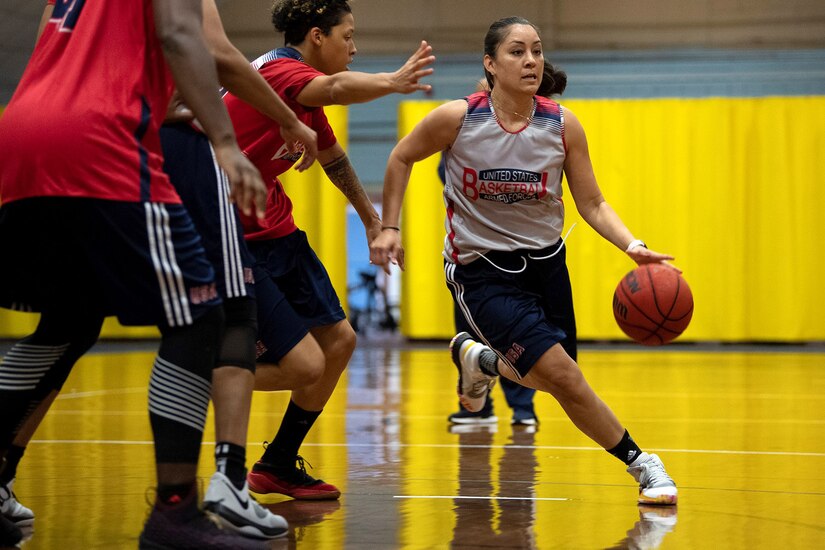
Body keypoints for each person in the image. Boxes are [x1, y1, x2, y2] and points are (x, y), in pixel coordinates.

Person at [0, 0, 321, 542]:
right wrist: (226, 139)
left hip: (24, 134)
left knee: (68, 322)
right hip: (103, 137)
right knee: (203, 317)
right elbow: (185, 34)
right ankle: (177, 509)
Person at [370, 16, 678, 506]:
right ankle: (644, 465)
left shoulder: (561, 124)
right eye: (517, 51)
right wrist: (388, 226)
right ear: (490, 64)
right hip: (482, 271)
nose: (531, 60)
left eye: (536, 50)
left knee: (560, 381)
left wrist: (631, 245)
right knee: (566, 378)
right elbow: (401, 156)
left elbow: (592, 202)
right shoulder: (457, 119)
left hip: (546, 266)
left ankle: (481, 361)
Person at [221, 0, 433, 500]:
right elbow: (337, 88)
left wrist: (374, 223)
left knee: (339, 343)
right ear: (317, 36)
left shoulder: (303, 98)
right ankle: (197, 372)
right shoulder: (277, 72)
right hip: (231, 236)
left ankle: (275, 465)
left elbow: (335, 160)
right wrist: (393, 81)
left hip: (276, 230)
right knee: (304, 365)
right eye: (348, 36)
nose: (354, 48)